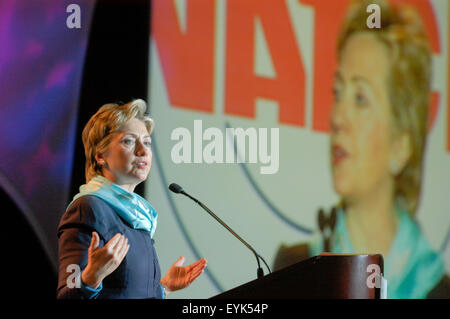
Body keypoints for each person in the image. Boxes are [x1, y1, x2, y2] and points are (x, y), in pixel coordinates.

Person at [274, 0, 449, 298]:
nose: (337, 117)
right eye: (338, 93)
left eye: (360, 99)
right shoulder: (294, 267)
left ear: (401, 144)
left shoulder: (437, 289)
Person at [57, 99, 207, 299]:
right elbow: (67, 295)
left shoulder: (139, 216)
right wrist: (90, 278)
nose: (143, 151)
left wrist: (163, 288)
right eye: (129, 141)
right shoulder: (88, 208)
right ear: (100, 154)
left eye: (147, 142)